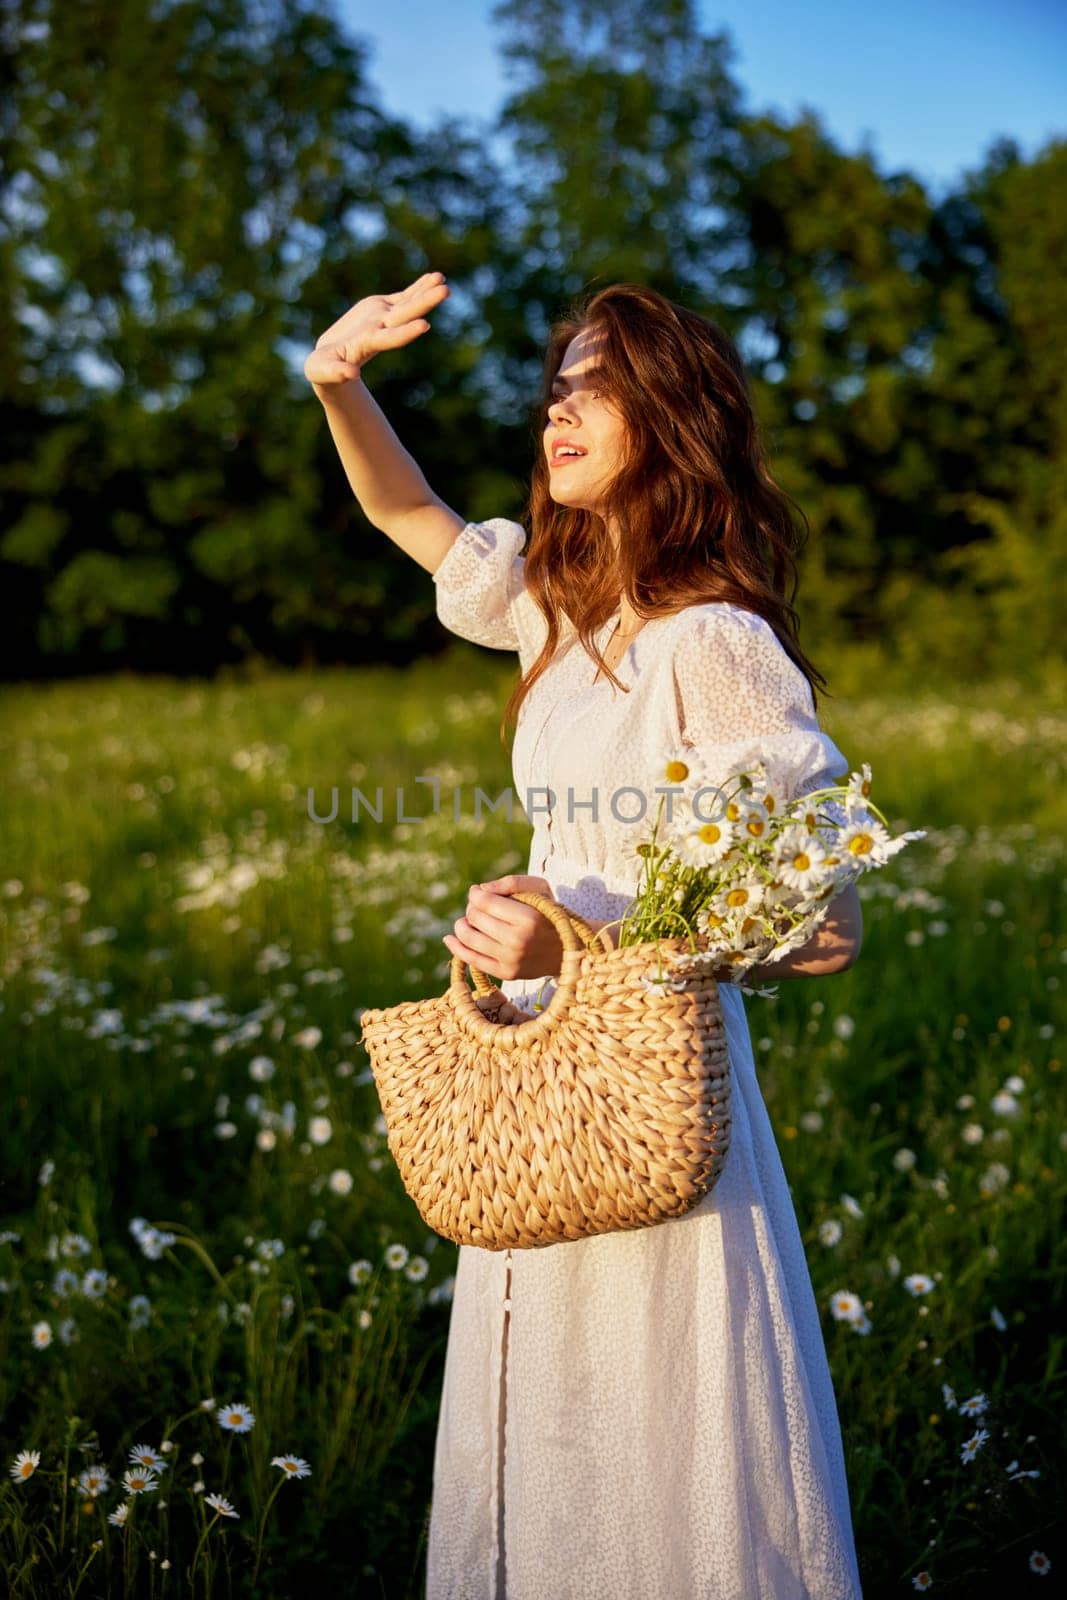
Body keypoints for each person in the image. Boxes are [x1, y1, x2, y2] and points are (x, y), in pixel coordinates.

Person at [305, 272, 866, 1600]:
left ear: (667, 415)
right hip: (543, 1094)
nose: (555, 408)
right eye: (551, 384)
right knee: (550, 1433)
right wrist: (336, 376)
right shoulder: (554, 618)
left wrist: (580, 949)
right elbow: (407, 511)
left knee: (665, 1443)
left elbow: (827, 922)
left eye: (591, 382)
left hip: (658, 1098)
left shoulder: (710, 642)